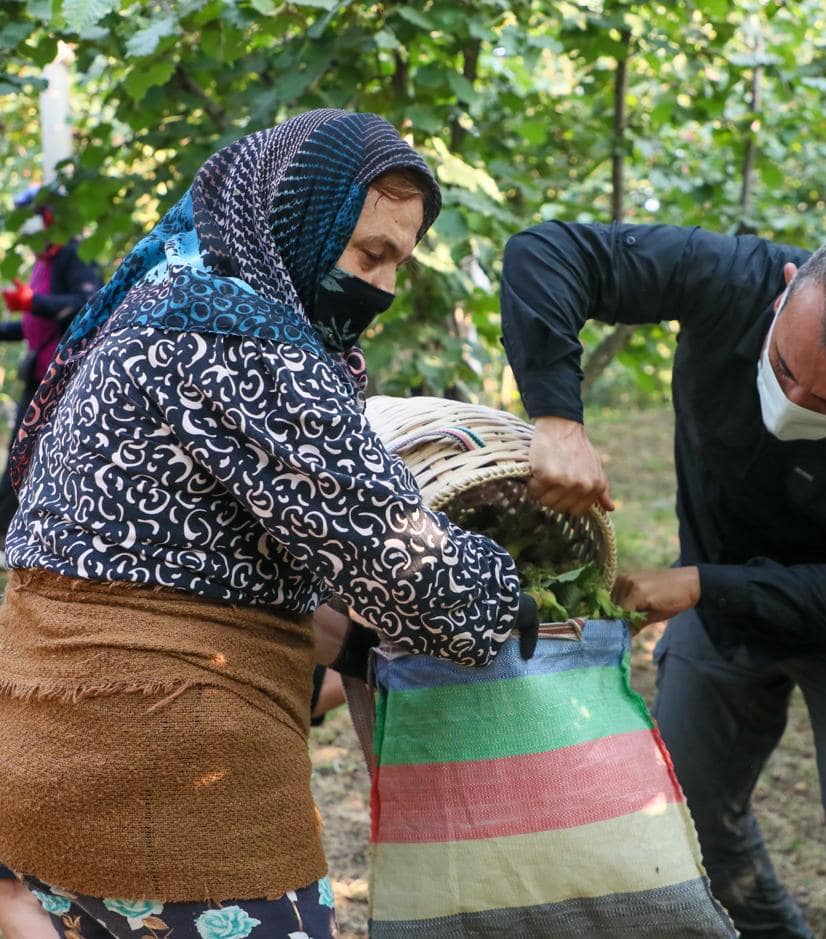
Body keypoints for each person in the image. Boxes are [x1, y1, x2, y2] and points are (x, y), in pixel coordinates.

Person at [0, 109, 536, 938]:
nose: (383, 288)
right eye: (368, 255)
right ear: (299, 220)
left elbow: (196, 551)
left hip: (41, 763)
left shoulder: (160, 299)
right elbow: (415, 573)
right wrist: (508, 593)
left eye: (398, 261)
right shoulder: (244, 336)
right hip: (164, 792)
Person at [499, 220, 826, 938]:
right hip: (718, 613)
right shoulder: (731, 276)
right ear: (786, 295)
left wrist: (701, 585)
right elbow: (547, 252)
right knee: (688, 824)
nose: (794, 401)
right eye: (786, 369)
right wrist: (557, 416)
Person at [0, 187, 102, 550]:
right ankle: (11, 535)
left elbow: (89, 304)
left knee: (34, 455)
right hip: (38, 375)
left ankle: (12, 535)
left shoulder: (74, 256)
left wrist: (35, 301)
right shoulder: (43, 263)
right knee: (22, 453)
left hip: (64, 379)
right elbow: (34, 326)